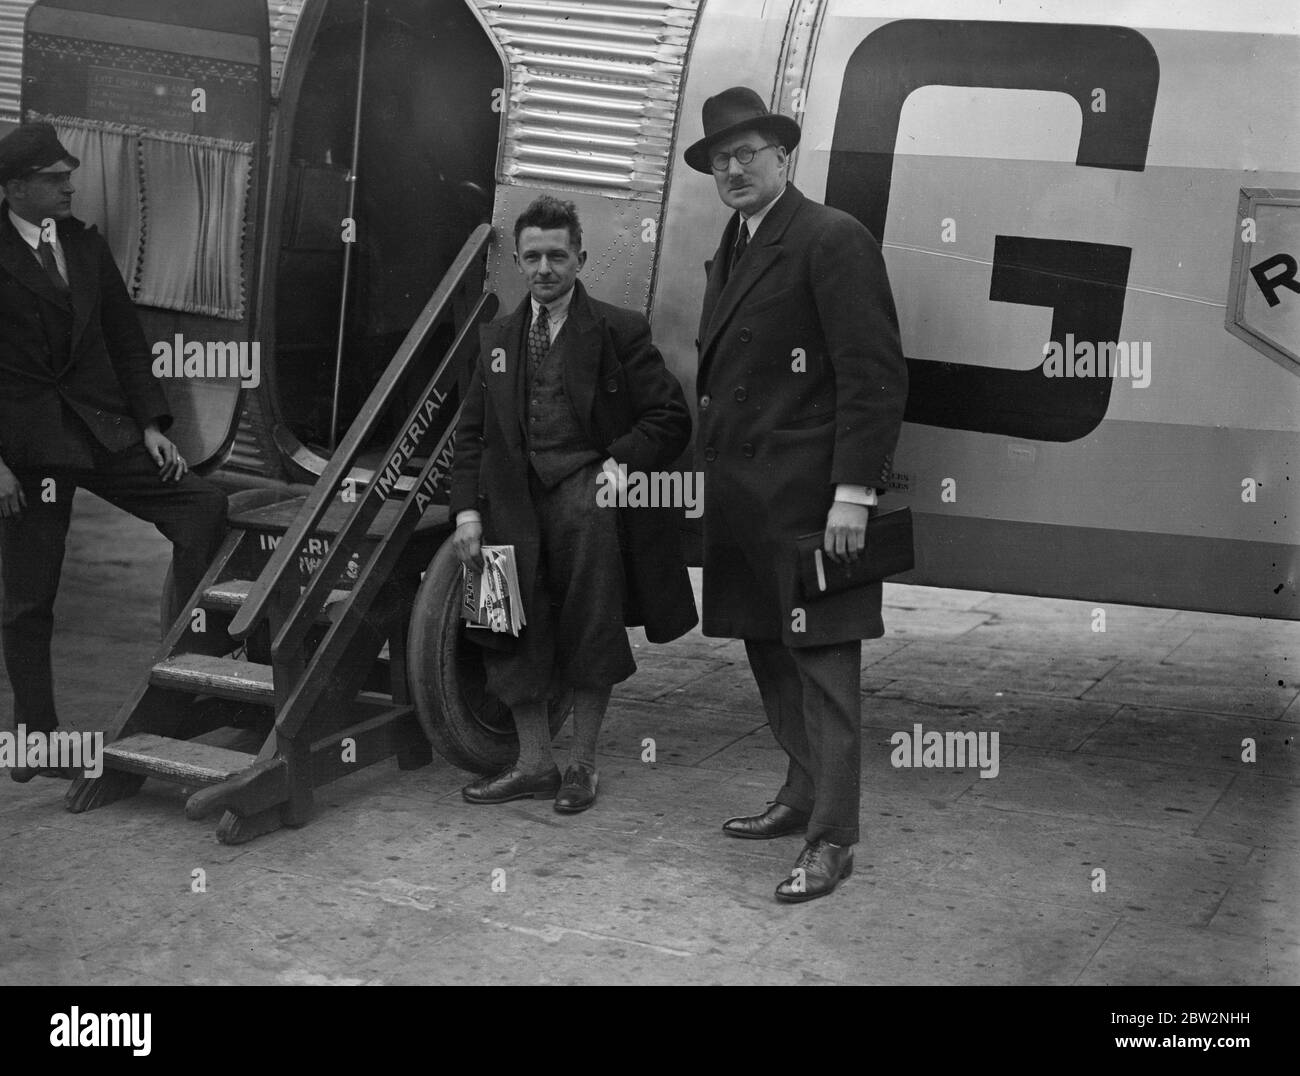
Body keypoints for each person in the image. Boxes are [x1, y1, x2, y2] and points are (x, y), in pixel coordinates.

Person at [685, 87, 908, 902]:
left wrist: (854, 493)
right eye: (720, 158)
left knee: (823, 666)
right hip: (744, 502)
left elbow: (873, 373)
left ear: (784, 157)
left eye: (749, 152)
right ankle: (801, 792)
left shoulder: (831, 238)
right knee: (767, 652)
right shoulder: (734, 245)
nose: (735, 168)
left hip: (811, 502)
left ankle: (833, 840)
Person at [449, 195, 696, 813]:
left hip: (586, 503)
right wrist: (466, 513)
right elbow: (472, 435)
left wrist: (619, 464)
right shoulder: (496, 340)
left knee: (590, 625)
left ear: (580, 258)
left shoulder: (617, 330)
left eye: (557, 255)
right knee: (502, 624)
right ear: (516, 260)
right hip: (507, 507)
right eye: (531, 256)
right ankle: (533, 762)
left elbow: (670, 417)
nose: (544, 268)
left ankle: (581, 766)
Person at [0, 122, 228, 782]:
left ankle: (182, 680)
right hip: (27, 453)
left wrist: (154, 425)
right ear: (16, 188)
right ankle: (36, 739)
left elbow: (126, 342)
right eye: (52, 178)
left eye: (67, 173)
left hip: (102, 432)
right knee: (27, 601)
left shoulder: (84, 244)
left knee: (202, 507)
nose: (69, 183)